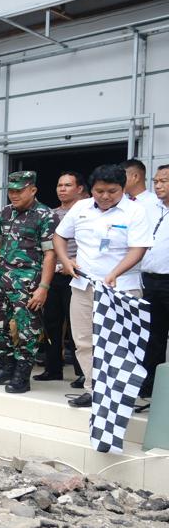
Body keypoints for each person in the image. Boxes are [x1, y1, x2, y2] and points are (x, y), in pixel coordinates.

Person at [54, 164, 153, 408]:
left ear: (123, 188)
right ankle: (93, 389)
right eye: (99, 191)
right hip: (83, 286)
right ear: (91, 189)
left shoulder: (135, 211)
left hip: (121, 288)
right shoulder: (81, 207)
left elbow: (139, 248)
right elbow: (59, 236)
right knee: (84, 340)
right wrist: (66, 261)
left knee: (120, 343)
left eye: (112, 191)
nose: (105, 196)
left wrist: (114, 273)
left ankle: (119, 395)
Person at [0, 172, 56, 393]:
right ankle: (6, 367)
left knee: (27, 330)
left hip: (28, 284)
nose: (13, 195)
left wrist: (43, 287)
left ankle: (22, 375)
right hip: (1, 280)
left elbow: (50, 255)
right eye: (11, 191)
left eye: (19, 190)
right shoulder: (5, 212)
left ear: (32, 190)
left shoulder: (45, 215)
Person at [36, 171, 87, 384]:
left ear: (80, 189)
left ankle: (83, 373)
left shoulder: (87, 213)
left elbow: (89, 245)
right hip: (52, 275)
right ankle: (53, 368)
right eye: (59, 185)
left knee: (78, 327)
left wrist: (72, 262)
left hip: (75, 275)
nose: (62, 189)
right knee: (51, 324)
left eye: (67, 185)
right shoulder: (50, 214)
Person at [140, 164, 169, 399]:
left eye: (164, 181)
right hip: (149, 281)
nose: (158, 186)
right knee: (153, 335)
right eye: (156, 181)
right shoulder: (150, 207)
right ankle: (151, 384)